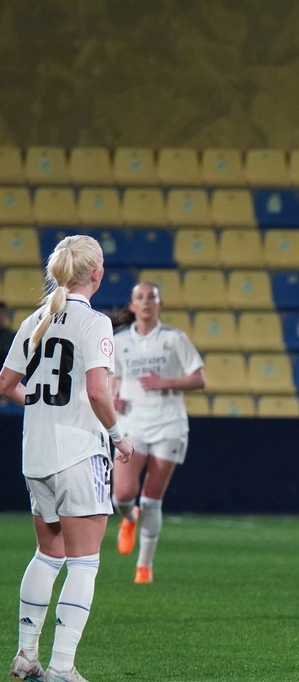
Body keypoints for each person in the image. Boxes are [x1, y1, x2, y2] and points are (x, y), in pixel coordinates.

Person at [1, 235, 135, 682]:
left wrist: (39, 404)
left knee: (47, 554)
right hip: (78, 452)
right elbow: (98, 392)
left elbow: (5, 383)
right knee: (83, 562)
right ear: (96, 273)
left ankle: (25, 656)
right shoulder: (94, 323)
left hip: (35, 453)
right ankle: (61, 668)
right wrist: (118, 436)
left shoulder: (35, 319)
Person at [109, 282, 205, 584]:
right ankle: (128, 518)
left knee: (152, 498)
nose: (147, 301)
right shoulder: (120, 341)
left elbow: (199, 378)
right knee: (122, 495)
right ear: (133, 306)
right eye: (140, 297)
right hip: (132, 424)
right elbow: (113, 379)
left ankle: (144, 568)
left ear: (160, 305)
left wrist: (166, 383)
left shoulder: (174, 339)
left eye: (152, 297)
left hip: (169, 425)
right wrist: (114, 398)